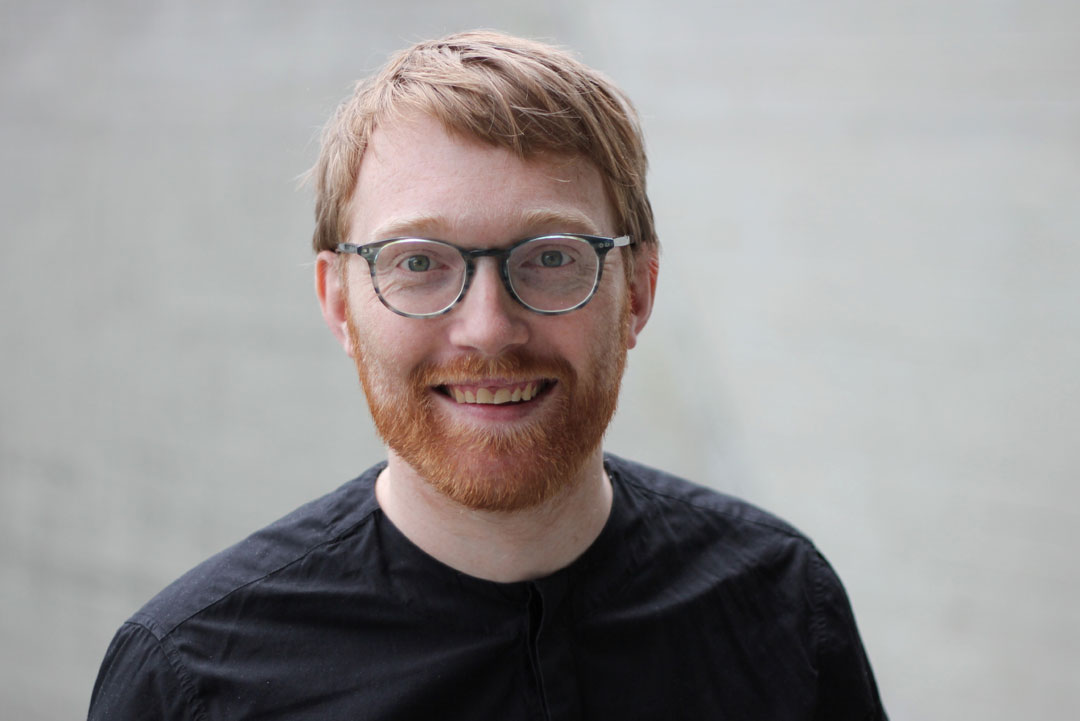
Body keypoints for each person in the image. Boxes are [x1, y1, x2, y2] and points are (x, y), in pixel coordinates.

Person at [89, 30, 887, 720]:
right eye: (418, 263)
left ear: (638, 291)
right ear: (339, 303)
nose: (488, 328)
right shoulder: (191, 681)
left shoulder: (783, 606)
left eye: (551, 257)